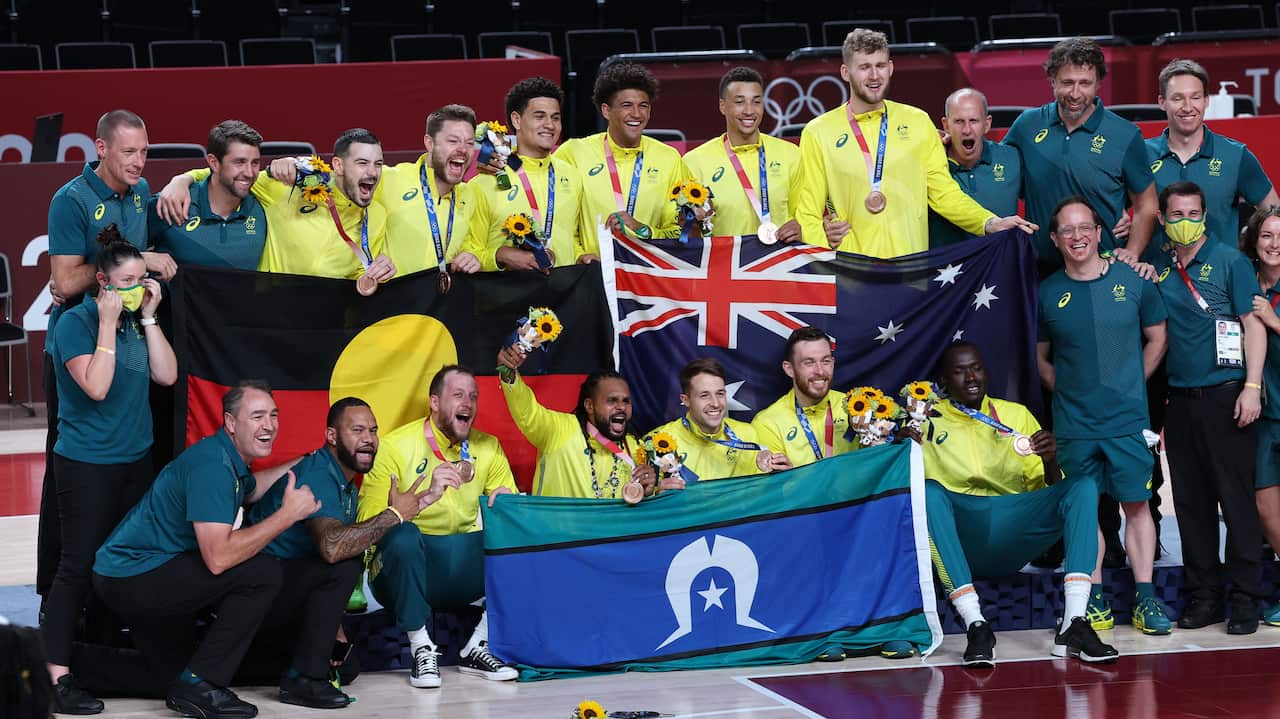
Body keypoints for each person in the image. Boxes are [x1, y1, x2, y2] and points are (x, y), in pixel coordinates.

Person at [92, 381, 316, 718]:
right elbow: (218, 558)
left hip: (137, 571)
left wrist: (307, 460)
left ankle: (61, 662)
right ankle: (202, 684)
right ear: (229, 422)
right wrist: (287, 516)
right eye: (257, 416)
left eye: (273, 415)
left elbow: (252, 490)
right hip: (132, 576)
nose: (269, 425)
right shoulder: (213, 467)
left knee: (165, 678)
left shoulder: (228, 459)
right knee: (262, 572)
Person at [41, 227, 177, 715]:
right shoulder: (74, 324)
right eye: (127, 280)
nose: (137, 286)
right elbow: (95, 387)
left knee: (120, 564)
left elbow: (166, 375)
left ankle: (100, 658)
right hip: (86, 464)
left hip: (134, 461)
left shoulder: (138, 322)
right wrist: (106, 323)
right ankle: (55, 676)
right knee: (76, 566)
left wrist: (149, 317)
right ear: (102, 282)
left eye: (143, 278)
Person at [917, 341, 1115, 667]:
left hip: (1015, 527)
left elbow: (1050, 488)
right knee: (928, 493)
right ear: (943, 379)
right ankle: (976, 626)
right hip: (963, 533)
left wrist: (1051, 460)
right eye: (959, 370)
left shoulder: (1015, 414)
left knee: (1081, 486)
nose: (970, 377)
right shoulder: (926, 419)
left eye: (976, 368)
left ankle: (1075, 624)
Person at [241, 397, 446, 707]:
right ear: (332, 436)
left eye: (374, 430)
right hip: (255, 592)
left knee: (347, 667)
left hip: (286, 589)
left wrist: (332, 630)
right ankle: (302, 680)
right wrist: (394, 515)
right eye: (358, 430)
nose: (369, 439)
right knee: (344, 563)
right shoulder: (319, 474)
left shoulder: (345, 481)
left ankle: (265, 671)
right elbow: (332, 549)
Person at [1036, 197, 1170, 636]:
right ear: (1055, 240)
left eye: (1085, 228)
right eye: (1067, 231)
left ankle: (1146, 598)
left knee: (1137, 507)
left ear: (1099, 232)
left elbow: (1157, 339)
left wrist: (1130, 382)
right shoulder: (1047, 292)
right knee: (1085, 512)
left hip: (1127, 421)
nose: (1077, 237)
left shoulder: (1136, 282)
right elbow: (1041, 360)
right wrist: (1073, 393)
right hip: (1075, 425)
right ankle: (1091, 599)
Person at [40, 109, 156, 610]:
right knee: (65, 471)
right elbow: (64, 283)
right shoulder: (71, 200)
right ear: (101, 148)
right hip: (78, 344)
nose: (139, 161)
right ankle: (55, 588)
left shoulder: (144, 191)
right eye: (129, 151)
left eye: (145, 151)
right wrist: (130, 265)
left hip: (125, 340)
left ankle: (114, 594)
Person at [792, 29, 1034, 259]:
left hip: (912, 273)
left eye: (880, 66)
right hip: (851, 273)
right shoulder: (818, 132)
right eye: (864, 67)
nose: (874, 76)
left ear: (891, 68)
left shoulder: (917, 122)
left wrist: (989, 222)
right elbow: (807, 213)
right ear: (846, 73)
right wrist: (823, 244)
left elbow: (944, 193)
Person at [1150, 181, 1266, 634]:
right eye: (1175, 215)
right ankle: (1204, 597)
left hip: (1227, 395)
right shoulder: (1157, 267)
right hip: (1178, 401)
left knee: (1237, 504)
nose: (1185, 222)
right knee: (1192, 505)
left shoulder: (1230, 261)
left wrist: (1252, 387)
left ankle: (1245, 598)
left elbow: (1252, 326)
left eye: (1193, 213)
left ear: (1205, 216)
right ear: (1162, 219)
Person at [358, 366, 519, 688]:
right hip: (402, 572)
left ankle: (478, 644)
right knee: (402, 535)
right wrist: (420, 500)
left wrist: (507, 505)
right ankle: (421, 648)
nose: (468, 404)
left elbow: (511, 514)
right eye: (458, 395)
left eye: (473, 396)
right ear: (434, 402)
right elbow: (366, 528)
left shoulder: (488, 447)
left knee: (519, 531)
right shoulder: (395, 446)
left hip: (461, 567)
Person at [156, 128, 397, 284]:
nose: (373, 172)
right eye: (363, 163)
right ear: (339, 165)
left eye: (378, 164)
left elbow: (360, 272)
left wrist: (377, 273)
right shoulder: (290, 185)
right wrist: (182, 180)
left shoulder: (376, 215)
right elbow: (230, 176)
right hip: (268, 315)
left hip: (321, 323)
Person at [1003, 37, 1158, 272]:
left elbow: (1146, 204)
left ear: (1098, 84)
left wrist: (1132, 251)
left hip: (1105, 270)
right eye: (1067, 83)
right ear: (1052, 81)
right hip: (1039, 271)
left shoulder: (1125, 134)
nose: (1075, 93)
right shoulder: (1026, 126)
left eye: (1085, 83)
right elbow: (995, 169)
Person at [554, 62, 692, 259]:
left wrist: (643, 230)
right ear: (606, 110)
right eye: (626, 105)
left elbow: (680, 231)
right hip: (591, 274)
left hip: (647, 276)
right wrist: (580, 254)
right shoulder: (573, 152)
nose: (636, 114)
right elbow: (558, 219)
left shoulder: (669, 158)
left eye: (643, 106)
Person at [1148, 59, 1279, 256]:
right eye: (1177, 98)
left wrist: (1249, 261)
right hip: (1155, 279)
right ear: (1162, 102)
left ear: (1206, 100)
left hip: (1221, 283)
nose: (1187, 107)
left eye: (1195, 97)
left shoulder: (1236, 155)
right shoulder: (1140, 154)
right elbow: (1113, 213)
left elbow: (1274, 213)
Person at [496, 345, 658, 499]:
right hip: (555, 529)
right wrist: (508, 370)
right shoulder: (558, 429)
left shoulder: (634, 449)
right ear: (589, 405)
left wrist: (649, 491)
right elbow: (525, 410)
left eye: (626, 401)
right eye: (612, 400)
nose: (621, 407)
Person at [469, 78, 592, 271]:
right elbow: (469, 249)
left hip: (564, 294)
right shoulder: (486, 180)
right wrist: (499, 256)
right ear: (516, 120)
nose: (550, 125)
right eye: (539, 116)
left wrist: (580, 256)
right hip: (509, 297)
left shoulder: (571, 175)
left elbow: (571, 237)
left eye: (555, 117)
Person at [683, 66, 802, 243]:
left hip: (779, 265)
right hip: (724, 267)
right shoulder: (694, 161)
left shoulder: (791, 154)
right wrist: (692, 223)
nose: (749, 111)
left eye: (756, 101)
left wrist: (801, 227)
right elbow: (685, 232)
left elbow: (806, 215)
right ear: (723, 106)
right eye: (739, 102)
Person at [376, 105, 485, 278]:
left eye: (469, 143)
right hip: (393, 300)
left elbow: (474, 244)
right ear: (429, 143)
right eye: (453, 141)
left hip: (443, 300)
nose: (463, 150)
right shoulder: (389, 178)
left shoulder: (471, 195)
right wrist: (367, 259)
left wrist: (474, 256)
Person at [643, 358, 789, 483]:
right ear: (685, 400)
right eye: (704, 395)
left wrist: (781, 478)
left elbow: (761, 493)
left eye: (720, 394)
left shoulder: (748, 434)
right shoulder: (657, 442)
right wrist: (658, 494)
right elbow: (645, 503)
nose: (715, 403)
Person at [148, 120, 268, 271]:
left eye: (255, 163)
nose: (250, 173)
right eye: (239, 162)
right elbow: (119, 253)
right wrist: (142, 257)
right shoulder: (172, 202)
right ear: (214, 163)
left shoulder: (263, 205)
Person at [1242, 206, 1280, 626]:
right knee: (1266, 505)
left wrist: (1274, 321)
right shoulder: (1245, 284)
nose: (1274, 245)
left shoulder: (1267, 304)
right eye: (1267, 236)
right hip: (1264, 414)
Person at [752, 326, 861, 465]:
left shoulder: (855, 406)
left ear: (833, 363)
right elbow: (774, 485)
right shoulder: (768, 423)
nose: (820, 371)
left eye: (826, 361)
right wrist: (787, 477)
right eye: (809, 362)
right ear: (789, 369)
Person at [928, 88, 1023, 248]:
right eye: (959, 121)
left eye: (974, 121)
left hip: (999, 268)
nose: (966, 130)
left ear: (987, 124)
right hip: (947, 270)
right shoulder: (931, 164)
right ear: (946, 124)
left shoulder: (1012, 158)